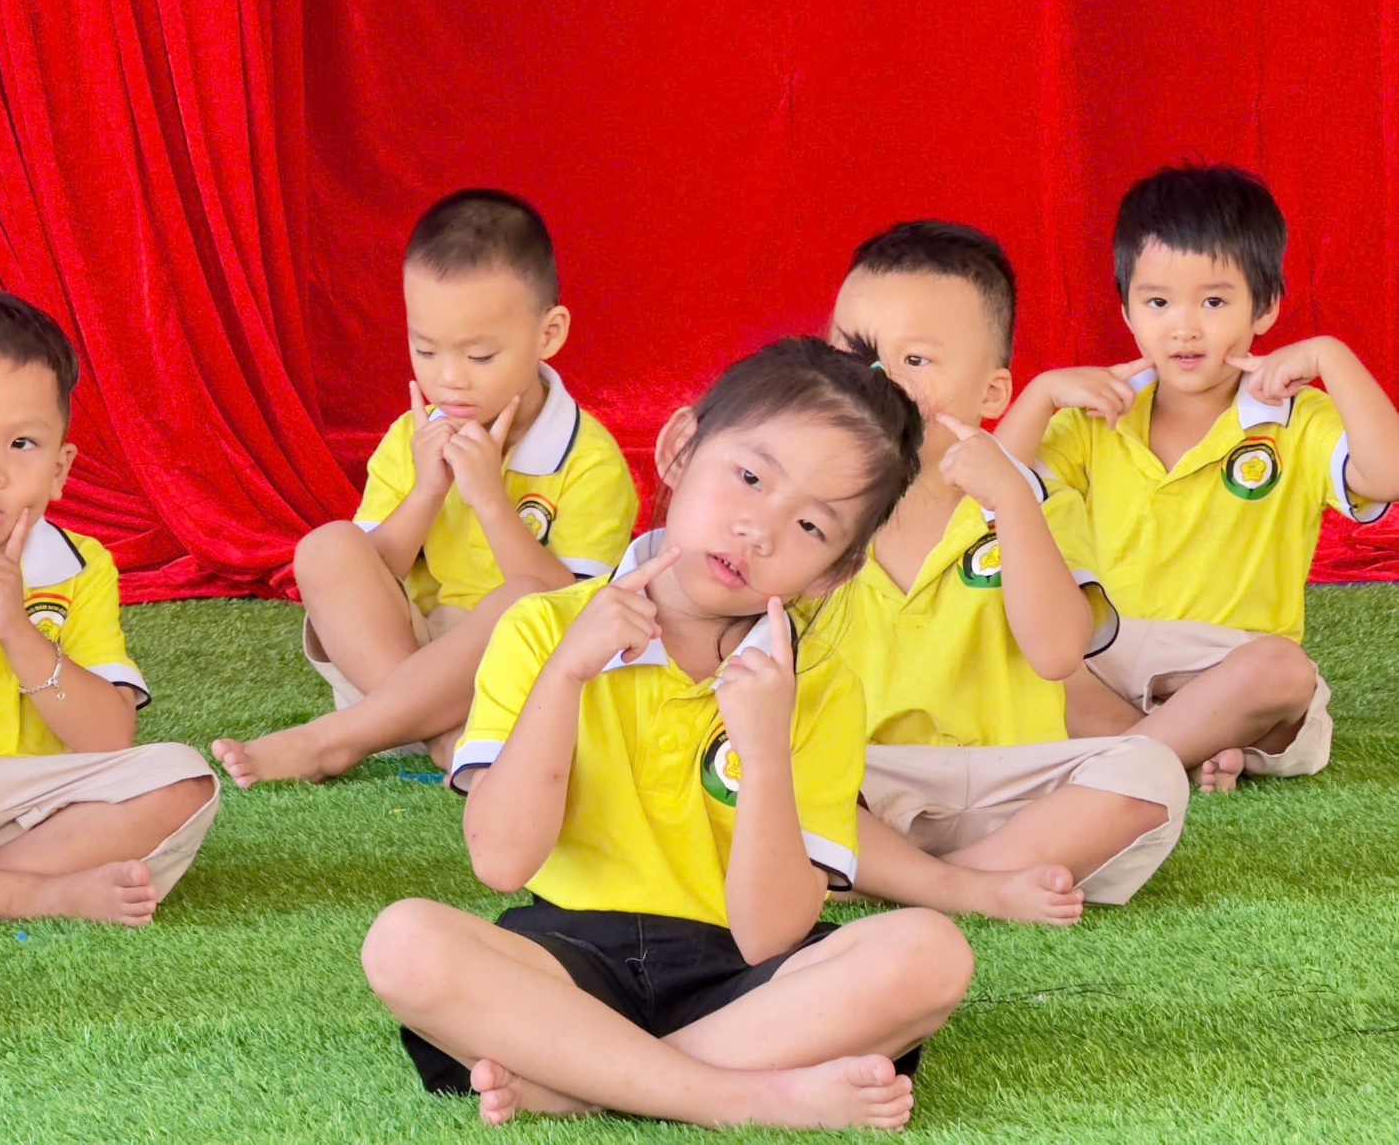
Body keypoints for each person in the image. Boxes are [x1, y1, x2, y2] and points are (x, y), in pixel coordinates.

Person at [362, 339, 973, 1132]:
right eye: (749, 478)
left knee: (931, 954)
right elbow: (502, 863)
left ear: (835, 572)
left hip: (741, 984)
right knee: (404, 942)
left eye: (810, 526)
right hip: (565, 964)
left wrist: (765, 753)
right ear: (680, 449)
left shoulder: (816, 686)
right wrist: (566, 676)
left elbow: (770, 934)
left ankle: (586, 1081)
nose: (758, 530)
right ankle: (737, 1099)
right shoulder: (542, 629)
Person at [826, 221, 1188, 921]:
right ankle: (973, 886)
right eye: (858, 354)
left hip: (1014, 786)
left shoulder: (1039, 500)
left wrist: (1012, 503)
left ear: (993, 394)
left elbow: (1056, 654)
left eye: (917, 360)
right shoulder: (808, 506)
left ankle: (897, 881)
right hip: (864, 781)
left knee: (1150, 773)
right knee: (753, 770)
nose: (881, 382)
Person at [996, 164, 1399, 792]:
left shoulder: (1294, 417)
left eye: (1213, 302)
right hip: (1118, 658)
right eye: (1158, 302)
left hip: (1234, 664)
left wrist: (1333, 356)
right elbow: (992, 492)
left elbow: (1388, 474)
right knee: (1020, 647)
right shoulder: (1096, 415)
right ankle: (1183, 745)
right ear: (1127, 310)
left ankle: (1138, 753)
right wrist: (1041, 394)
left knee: (1284, 672)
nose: (1183, 327)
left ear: (1265, 307)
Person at [214, 190, 637, 784]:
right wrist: (426, 493)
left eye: (481, 355)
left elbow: (571, 608)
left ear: (549, 333)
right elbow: (372, 571)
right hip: (406, 658)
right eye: (426, 350)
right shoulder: (411, 437)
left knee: (523, 598)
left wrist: (489, 500)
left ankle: (337, 740)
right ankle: (439, 734)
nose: (449, 378)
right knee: (327, 546)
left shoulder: (590, 461)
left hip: (517, 669)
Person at [0, 289, 218, 925]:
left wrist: (16, 629)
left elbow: (106, 739)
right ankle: (25, 895)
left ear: (60, 469)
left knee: (184, 780)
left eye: (22, 443)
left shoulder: (81, 565)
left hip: (36, 804)